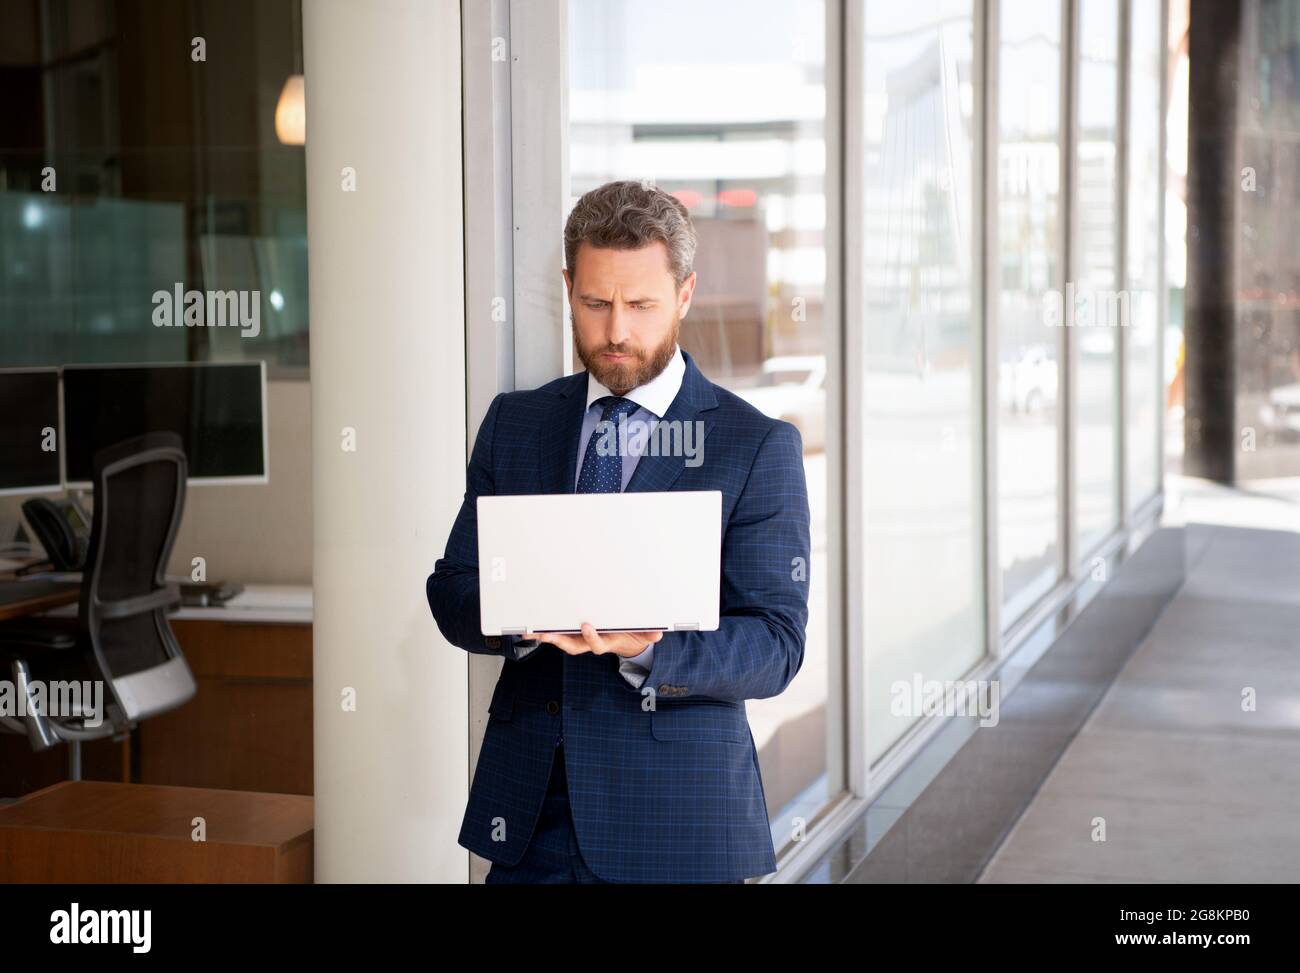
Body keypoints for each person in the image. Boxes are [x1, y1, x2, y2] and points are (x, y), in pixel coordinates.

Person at [426, 179, 810, 883]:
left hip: (675, 825)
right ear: (568, 286)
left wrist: (650, 648)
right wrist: (521, 616)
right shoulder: (515, 423)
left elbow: (776, 646)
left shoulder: (754, 446)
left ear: (685, 295)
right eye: (596, 303)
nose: (616, 333)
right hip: (529, 819)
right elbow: (451, 588)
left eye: (641, 305)